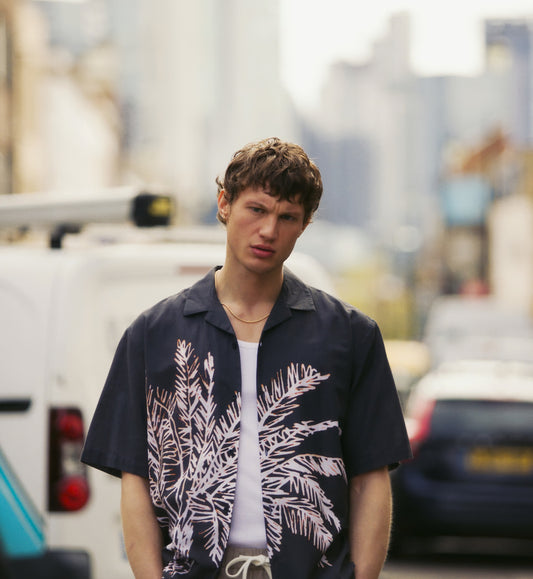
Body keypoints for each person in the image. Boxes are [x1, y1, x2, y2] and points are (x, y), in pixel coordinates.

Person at [81, 137, 412, 579]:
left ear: (305, 224)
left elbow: (371, 478)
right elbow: (135, 479)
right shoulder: (152, 334)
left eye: (287, 217)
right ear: (225, 204)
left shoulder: (351, 336)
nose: (269, 231)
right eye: (257, 209)